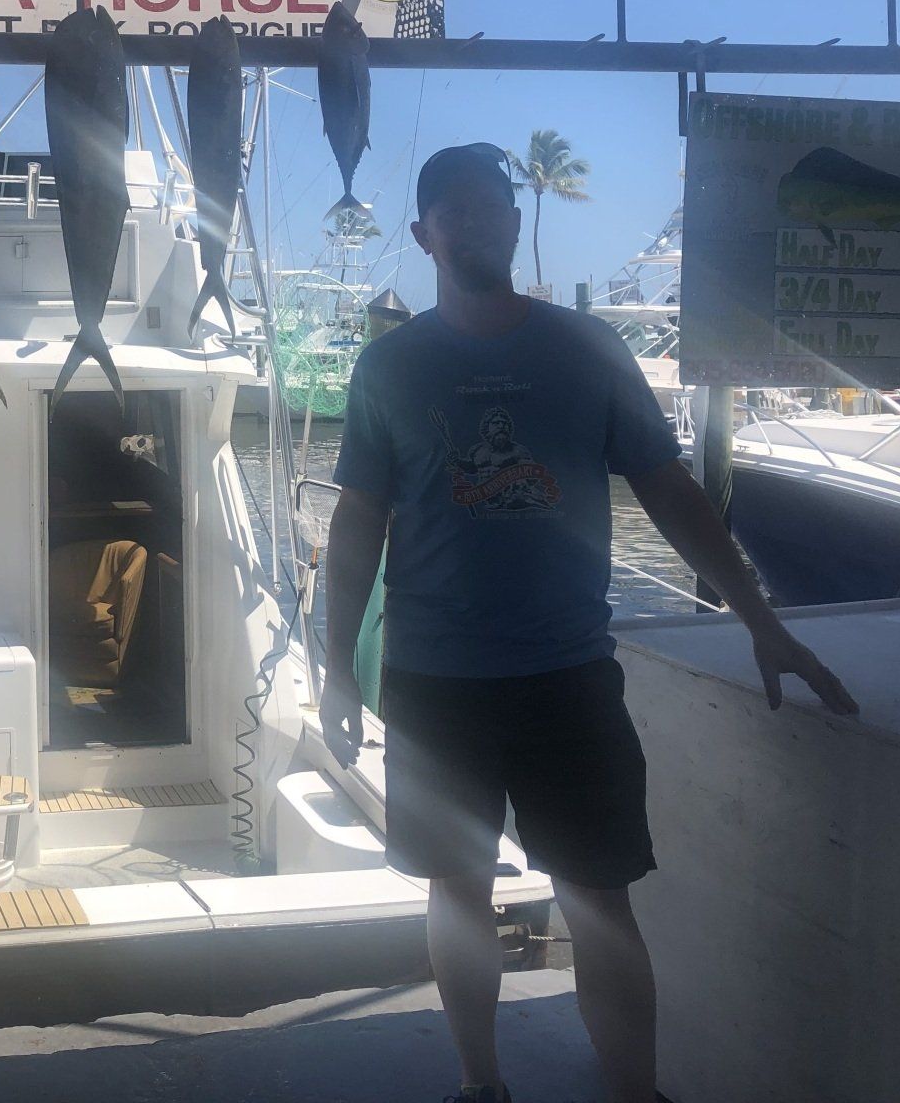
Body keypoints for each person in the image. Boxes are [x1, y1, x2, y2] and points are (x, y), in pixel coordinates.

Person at [320, 141, 858, 1103]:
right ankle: (482, 1085)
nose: (483, 222)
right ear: (424, 233)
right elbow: (358, 524)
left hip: (569, 674)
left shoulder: (588, 350)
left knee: (598, 899)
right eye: (460, 210)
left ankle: (634, 1095)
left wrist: (759, 618)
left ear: (516, 225)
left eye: (497, 207)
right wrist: (333, 667)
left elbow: (671, 492)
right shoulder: (388, 369)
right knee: (458, 891)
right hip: (436, 682)